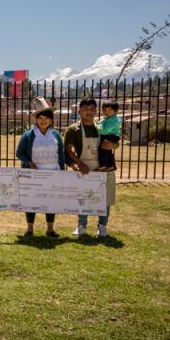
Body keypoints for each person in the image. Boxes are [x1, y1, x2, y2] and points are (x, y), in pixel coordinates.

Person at [65, 98, 119, 238]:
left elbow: (115, 142)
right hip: (85, 168)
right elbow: (68, 150)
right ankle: (81, 226)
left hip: (104, 167)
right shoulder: (73, 129)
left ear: (96, 111)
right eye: (85, 109)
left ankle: (102, 226)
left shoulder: (101, 127)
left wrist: (113, 146)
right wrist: (79, 163)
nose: (89, 112)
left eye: (92, 109)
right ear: (79, 111)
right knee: (83, 197)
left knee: (105, 197)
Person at [16, 97, 67, 238]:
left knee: (51, 200)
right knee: (31, 200)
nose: (43, 121)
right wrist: (29, 162)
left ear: (51, 120)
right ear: (36, 119)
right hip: (34, 174)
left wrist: (62, 172)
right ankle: (30, 228)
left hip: (53, 172)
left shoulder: (56, 135)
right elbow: (19, 153)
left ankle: (50, 229)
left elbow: (60, 154)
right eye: (40, 118)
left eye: (46, 118)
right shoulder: (28, 135)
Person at [97, 100, 121, 172]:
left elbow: (104, 130)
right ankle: (111, 165)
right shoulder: (109, 118)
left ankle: (104, 165)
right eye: (104, 109)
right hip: (110, 135)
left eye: (109, 110)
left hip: (110, 136)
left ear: (116, 111)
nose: (106, 111)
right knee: (108, 151)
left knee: (103, 149)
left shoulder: (113, 120)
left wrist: (97, 127)